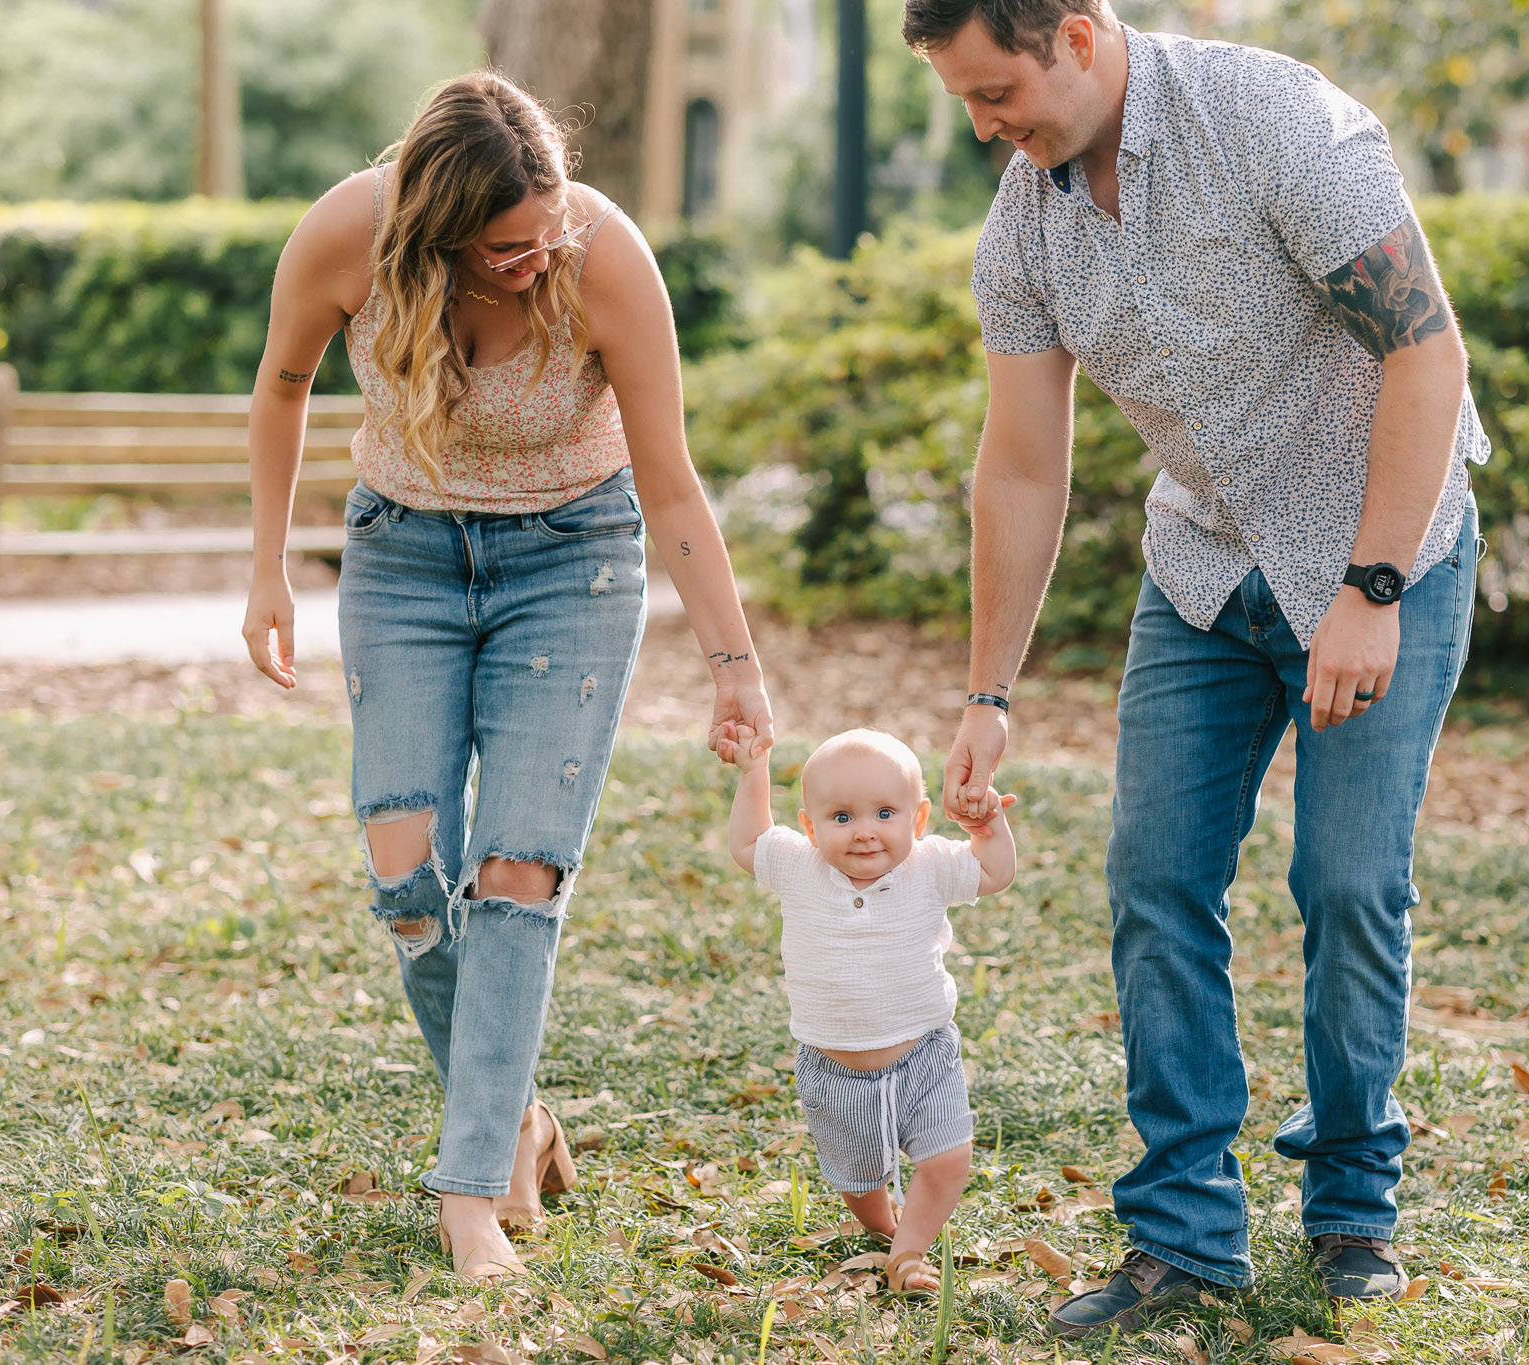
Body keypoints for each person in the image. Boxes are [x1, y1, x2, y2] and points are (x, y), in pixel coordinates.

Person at [907, 0, 1488, 1322]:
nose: (989, 126)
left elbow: (1425, 347)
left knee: (1345, 885)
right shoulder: (1028, 225)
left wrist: (1370, 586)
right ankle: (1183, 1237)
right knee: (1154, 883)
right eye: (966, 104)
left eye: (1000, 91)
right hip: (1208, 575)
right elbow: (1019, 461)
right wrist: (989, 690)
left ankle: (1350, 1210)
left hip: (1384, 547)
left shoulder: (1277, 122)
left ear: (1077, 30)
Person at [240, 73, 772, 1280]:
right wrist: (267, 569)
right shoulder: (346, 236)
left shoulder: (602, 255)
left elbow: (671, 479)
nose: (538, 257)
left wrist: (732, 667)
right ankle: (517, 1114)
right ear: (434, 226)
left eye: (548, 234)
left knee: (517, 870)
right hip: (404, 561)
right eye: (505, 246)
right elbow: (281, 384)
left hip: (572, 563)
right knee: (405, 875)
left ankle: (471, 1187)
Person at [721, 726, 1016, 1292]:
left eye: (885, 813)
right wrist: (752, 772)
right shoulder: (797, 866)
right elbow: (747, 843)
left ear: (919, 819)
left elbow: (994, 873)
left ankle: (910, 1254)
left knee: (948, 1158)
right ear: (809, 827)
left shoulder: (930, 866)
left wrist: (988, 828)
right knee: (858, 1181)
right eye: (841, 818)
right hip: (833, 1068)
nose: (864, 833)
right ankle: (885, 1229)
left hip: (923, 1052)